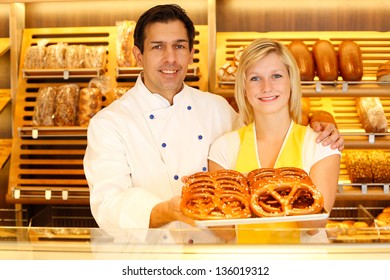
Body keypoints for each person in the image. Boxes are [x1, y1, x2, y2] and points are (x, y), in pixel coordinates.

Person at [83, 4, 343, 244]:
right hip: (152, 258)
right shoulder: (109, 123)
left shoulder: (216, 107)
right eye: (157, 47)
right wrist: (166, 210)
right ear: (138, 55)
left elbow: (266, 127)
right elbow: (108, 205)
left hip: (215, 257)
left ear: (191, 53)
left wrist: (319, 121)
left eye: (180, 46)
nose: (170, 58)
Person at [208, 38, 341, 243]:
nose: (266, 87)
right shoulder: (224, 147)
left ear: (291, 82)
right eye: (255, 78)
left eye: (276, 76)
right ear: (244, 87)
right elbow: (225, 231)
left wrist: (262, 189)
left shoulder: (321, 145)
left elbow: (315, 225)